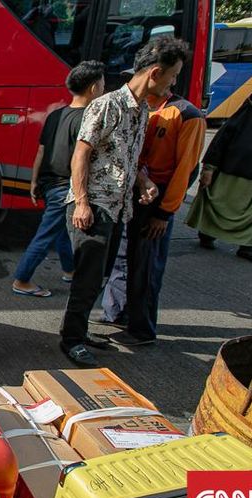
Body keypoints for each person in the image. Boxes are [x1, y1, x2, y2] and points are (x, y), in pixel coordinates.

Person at [59, 36, 186, 366]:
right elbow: (81, 154)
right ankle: (71, 340)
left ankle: (78, 330)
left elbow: (127, 159)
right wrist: (82, 203)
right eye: (173, 75)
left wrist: (144, 181)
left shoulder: (142, 110)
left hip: (119, 208)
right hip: (94, 206)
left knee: (99, 277)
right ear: (155, 73)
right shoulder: (107, 105)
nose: (174, 83)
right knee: (87, 279)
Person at [98, 42, 204, 346]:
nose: (174, 81)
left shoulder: (186, 115)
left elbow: (185, 171)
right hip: (131, 195)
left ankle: (141, 329)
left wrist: (164, 213)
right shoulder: (139, 107)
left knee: (145, 267)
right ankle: (116, 312)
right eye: (173, 74)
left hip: (156, 203)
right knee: (123, 259)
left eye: (176, 75)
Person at [12, 61, 105, 297]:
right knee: (46, 235)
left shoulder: (56, 115)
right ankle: (22, 279)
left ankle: (70, 270)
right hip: (66, 186)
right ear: (93, 87)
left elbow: (41, 151)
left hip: (48, 183)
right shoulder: (88, 118)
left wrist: (34, 182)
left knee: (61, 230)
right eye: (103, 82)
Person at [186, 87, 252, 264]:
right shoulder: (236, 123)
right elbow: (217, 148)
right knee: (218, 208)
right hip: (230, 178)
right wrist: (208, 170)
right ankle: (207, 235)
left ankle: (248, 247)